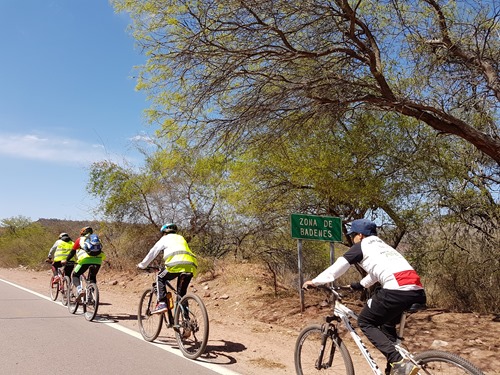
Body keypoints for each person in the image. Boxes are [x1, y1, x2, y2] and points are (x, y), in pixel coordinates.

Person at [302, 219, 426, 375]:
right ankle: (393, 369)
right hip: (417, 292)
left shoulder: (362, 246)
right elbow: (377, 273)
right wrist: (358, 285)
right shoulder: (383, 247)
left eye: (353, 235)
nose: (352, 239)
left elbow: (337, 268)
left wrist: (314, 281)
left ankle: (399, 362)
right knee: (387, 325)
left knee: (365, 321)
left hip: (396, 291)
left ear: (360, 235)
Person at [137, 223, 198, 314]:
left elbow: (153, 252)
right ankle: (186, 320)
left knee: (160, 277)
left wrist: (142, 265)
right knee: (181, 294)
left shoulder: (164, 239)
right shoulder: (181, 238)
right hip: (190, 266)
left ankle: (161, 303)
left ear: (164, 233)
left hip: (175, 265)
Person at [62, 226, 106, 298]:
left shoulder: (80, 240)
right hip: (98, 260)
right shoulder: (98, 239)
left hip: (85, 260)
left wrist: (66, 260)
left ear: (82, 232)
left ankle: (79, 290)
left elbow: (72, 252)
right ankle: (90, 295)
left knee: (75, 275)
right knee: (92, 276)